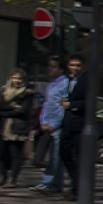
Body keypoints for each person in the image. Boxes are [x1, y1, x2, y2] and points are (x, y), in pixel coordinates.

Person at [0, 68, 37, 187]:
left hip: (17, 127)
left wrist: (4, 112)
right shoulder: (4, 92)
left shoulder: (26, 94)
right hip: (1, 127)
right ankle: (2, 176)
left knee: (15, 154)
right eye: (14, 78)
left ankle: (13, 179)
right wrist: (11, 107)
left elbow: (23, 111)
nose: (16, 81)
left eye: (19, 78)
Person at [33, 56, 69, 193]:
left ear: (60, 69)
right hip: (48, 122)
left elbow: (61, 106)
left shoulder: (64, 83)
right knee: (53, 155)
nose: (50, 69)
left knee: (54, 155)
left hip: (56, 124)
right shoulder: (51, 83)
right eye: (49, 66)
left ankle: (46, 182)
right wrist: (43, 121)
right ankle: (55, 184)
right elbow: (47, 104)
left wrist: (54, 123)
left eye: (53, 66)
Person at [58, 55, 87, 201]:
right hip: (68, 123)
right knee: (64, 154)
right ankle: (75, 184)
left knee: (77, 156)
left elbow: (89, 101)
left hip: (79, 123)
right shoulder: (68, 80)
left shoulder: (87, 79)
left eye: (78, 65)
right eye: (72, 65)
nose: (75, 68)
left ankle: (78, 189)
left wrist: (72, 105)